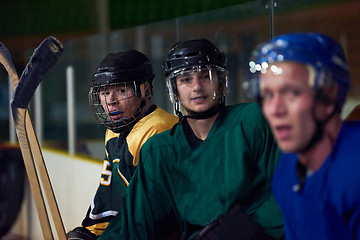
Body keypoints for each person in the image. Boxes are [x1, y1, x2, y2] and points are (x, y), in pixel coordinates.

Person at [98, 39, 284, 240]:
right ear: (174, 89)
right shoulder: (159, 151)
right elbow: (133, 225)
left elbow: (293, 190)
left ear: (221, 82)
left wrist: (253, 226)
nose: (196, 87)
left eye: (206, 76)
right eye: (186, 79)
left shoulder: (254, 122)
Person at [248, 32, 360, 239]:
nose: (275, 109)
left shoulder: (354, 171)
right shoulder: (287, 168)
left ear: (329, 94)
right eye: (268, 95)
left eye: (292, 92)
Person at [66, 50, 178, 239]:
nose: (111, 101)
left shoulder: (158, 129)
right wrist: (91, 234)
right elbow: (109, 199)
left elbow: (156, 215)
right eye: (105, 92)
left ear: (144, 90)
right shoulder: (113, 132)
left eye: (121, 90)